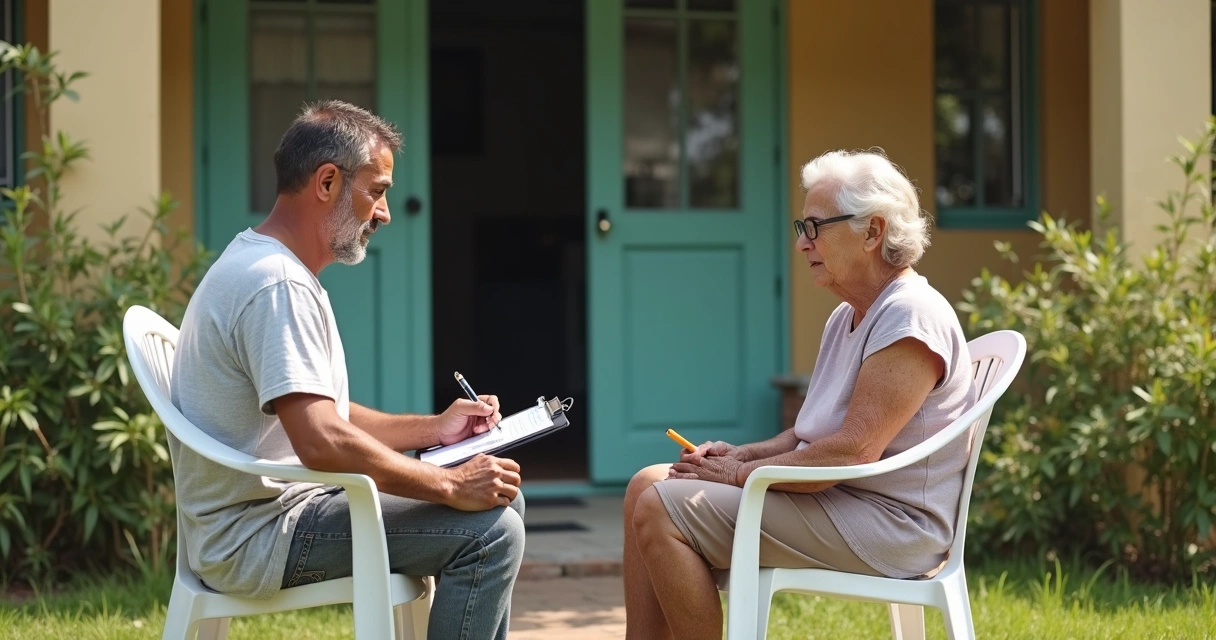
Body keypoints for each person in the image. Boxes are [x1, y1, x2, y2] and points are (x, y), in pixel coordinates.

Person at [170, 99, 525, 639]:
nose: (384, 213)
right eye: (376, 191)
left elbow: (326, 416)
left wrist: (436, 429)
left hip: (287, 511)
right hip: (258, 537)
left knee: (503, 498)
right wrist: (448, 484)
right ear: (328, 182)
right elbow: (321, 441)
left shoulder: (270, 267)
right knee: (492, 533)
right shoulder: (275, 284)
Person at [622, 149, 978, 639]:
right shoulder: (849, 314)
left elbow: (853, 450)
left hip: (891, 526)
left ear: (872, 232)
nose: (801, 244)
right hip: (839, 499)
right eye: (801, 228)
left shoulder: (910, 315)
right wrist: (742, 454)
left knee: (660, 508)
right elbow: (808, 434)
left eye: (815, 227)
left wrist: (740, 475)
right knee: (644, 485)